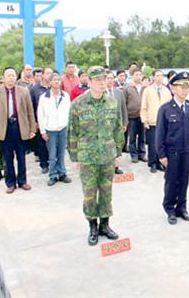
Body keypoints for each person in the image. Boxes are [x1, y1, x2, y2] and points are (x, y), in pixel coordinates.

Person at [68, 66, 124, 246]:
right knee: (90, 194)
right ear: (89, 81)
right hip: (87, 158)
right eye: (98, 79)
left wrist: (118, 153)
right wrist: (75, 157)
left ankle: (105, 225)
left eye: (104, 79)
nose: (102, 82)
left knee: (106, 192)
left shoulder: (111, 103)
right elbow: (73, 132)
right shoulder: (78, 104)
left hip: (107, 156)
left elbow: (117, 129)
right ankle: (92, 226)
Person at [156, 72, 189, 225]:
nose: (184, 90)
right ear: (173, 88)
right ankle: (169, 208)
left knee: (184, 180)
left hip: (186, 152)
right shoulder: (165, 109)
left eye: (187, 86)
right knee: (171, 181)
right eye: (181, 86)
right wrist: (161, 155)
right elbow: (160, 134)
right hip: (171, 153)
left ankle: (182, 207)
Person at [0, 67, 37, 194]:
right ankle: (10, 183)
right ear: (4, 78)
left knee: (21, 157)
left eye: (13, 75)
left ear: (16, 77)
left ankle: (22, 181)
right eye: (8, 75)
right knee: (8, 158)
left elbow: (30, 111)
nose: (11, 77)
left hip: (20, 127)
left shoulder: (23, 91)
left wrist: (32, 128)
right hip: (5, 129)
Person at [38, 73, 72, 186]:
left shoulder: (65, 96)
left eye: (58, 80)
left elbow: (69, 112)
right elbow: (40, 115)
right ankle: (52, 175)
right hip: (50, 130)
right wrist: (42, 131)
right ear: (50, 82)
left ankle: (62, 173)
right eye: (54, 80)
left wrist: (69, 126)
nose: (57, 82)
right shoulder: (44, 98)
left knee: (61, 153)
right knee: (52, 155)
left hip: (63, 128)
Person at [140, 70, 172, 173]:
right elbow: (143, 107)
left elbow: (170, 106)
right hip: (152, 122)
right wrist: (145, 121)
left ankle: (160, 162)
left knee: (162, 144)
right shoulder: (148, 90)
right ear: (153, 77)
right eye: (157, 76)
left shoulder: (166, 91)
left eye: (161, 76)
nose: (159, 78)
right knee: (152, 144)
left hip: (164, 123)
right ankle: (152, 163)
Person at [29, 67, 53, 174]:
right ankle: (44, 164)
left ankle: (53, 163)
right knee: (41, 144)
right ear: (43, 75)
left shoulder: (54, 88)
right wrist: (34, 121)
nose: (49, 75)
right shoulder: (35, 89)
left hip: (53, 121)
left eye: (51, 73)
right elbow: (31, 106)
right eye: (47, 73)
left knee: (52, 144)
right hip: (40, 122)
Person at [106, 70, 129, 174]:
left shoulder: (118, 92)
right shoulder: (101, 93)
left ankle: (115, 167)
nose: (110, 80)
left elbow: (123, 108)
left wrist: (124, 123)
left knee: (117, 146)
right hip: (105, 125)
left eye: (111, 78)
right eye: (107, 78)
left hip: (117, 125)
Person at [123, 69, 147, 164]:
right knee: (132, 137)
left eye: (140, 75)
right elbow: (124, 102)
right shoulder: (127, 88)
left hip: (142, 116)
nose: (138, 76)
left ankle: (142, 154)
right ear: (132, 76)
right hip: (131, 116)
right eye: (136, 74)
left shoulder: (145, 88)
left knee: (142, 137)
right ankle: (134, 155)